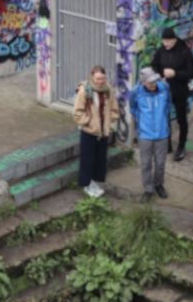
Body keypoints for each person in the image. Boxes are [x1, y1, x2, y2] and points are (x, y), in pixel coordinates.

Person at [150, 26, 193, 161]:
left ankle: (181, 147)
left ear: (174, 39)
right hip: (164, 90)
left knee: (181, 119)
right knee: (164, 118)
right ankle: (167, 144)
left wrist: (175, 74)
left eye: (168, 41)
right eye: (164, 42)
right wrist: (159, 75)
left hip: (180, 91)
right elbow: (154, 65)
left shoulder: (184, 52)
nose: (165, 44)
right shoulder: (161, 51)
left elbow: (192, 72)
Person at [72, 65, 120, 198]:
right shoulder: (85, 91)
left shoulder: (107, 89)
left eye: (103, 78)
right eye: (98, 78)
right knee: (87, 159)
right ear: (92, 77)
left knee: (99, 158)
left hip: (103, 130)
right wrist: (89, 123)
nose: (100, 81)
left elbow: (113, 107)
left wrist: (112, 118)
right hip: (89, 131)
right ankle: (86, 184)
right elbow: (77, 113)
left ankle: (93, 182)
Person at [128, 66, 172, 202]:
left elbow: (169, 104)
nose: (153, 84)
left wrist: (163, 117)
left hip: (162, 134)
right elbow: (132, 108)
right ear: (143, 82)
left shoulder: (164, 88)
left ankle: (158, 185)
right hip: (145, 135)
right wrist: (142, 121)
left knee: (160, 163)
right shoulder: (136, 92)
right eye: (150, 82)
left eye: (154, 80)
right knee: (146, 164)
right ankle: (148, 190)